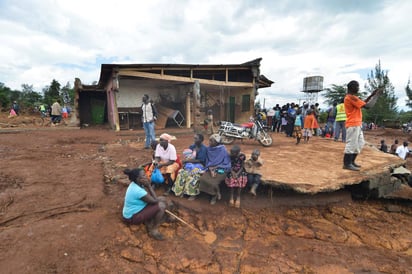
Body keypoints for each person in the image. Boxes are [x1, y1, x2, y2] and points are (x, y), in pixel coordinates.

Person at [343, 80, 383, 171]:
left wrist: (372, 95)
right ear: (352, 88)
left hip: (356, 124)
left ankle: (351, 162)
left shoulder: (351, 97)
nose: (358, 88)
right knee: (351, 144)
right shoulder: (351, 97)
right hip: (353, 124)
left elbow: (363, 103)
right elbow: (368, 106)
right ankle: (347, 163)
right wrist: (377, 96)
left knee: (360, 143)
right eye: (357, 86)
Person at [122, 167, 167, 240]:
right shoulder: (137, 190)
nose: (146, 176)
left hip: (135, 210)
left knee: (162, 199)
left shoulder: (136, 184)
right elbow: (155, 201)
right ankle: (153, 230)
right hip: (132, 217)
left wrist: (148, 186)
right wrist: (149, 186)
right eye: (143, 176)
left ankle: (150, 219)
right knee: (161, 205)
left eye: (145, 174)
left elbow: (152, 198)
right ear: (138, 179)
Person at [172, 134, 208, 199]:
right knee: (181, 172)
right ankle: (180, 191)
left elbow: (200, 160)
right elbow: (188, 156)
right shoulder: (192, 146)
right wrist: (187, 161)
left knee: (193, 174)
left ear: (201, 140)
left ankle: (192, 194)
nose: (194, 140)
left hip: (200, 165)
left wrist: (187, 161)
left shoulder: (204, 148)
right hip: (190, 164)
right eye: (194, 138)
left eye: (196, 138)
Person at [198, 134, 231, 205]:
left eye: (211, 141)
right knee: (202, 179)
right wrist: (210, 168)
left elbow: (227, 164)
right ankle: (212, 193)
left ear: (217, 142)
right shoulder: (208, 149)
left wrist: (217, 167)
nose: (209, 142)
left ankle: (214, 196)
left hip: (221, 169)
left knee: (214, 182)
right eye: (209, 140)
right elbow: (207, 161)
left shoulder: (223, 150)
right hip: (210, 169)